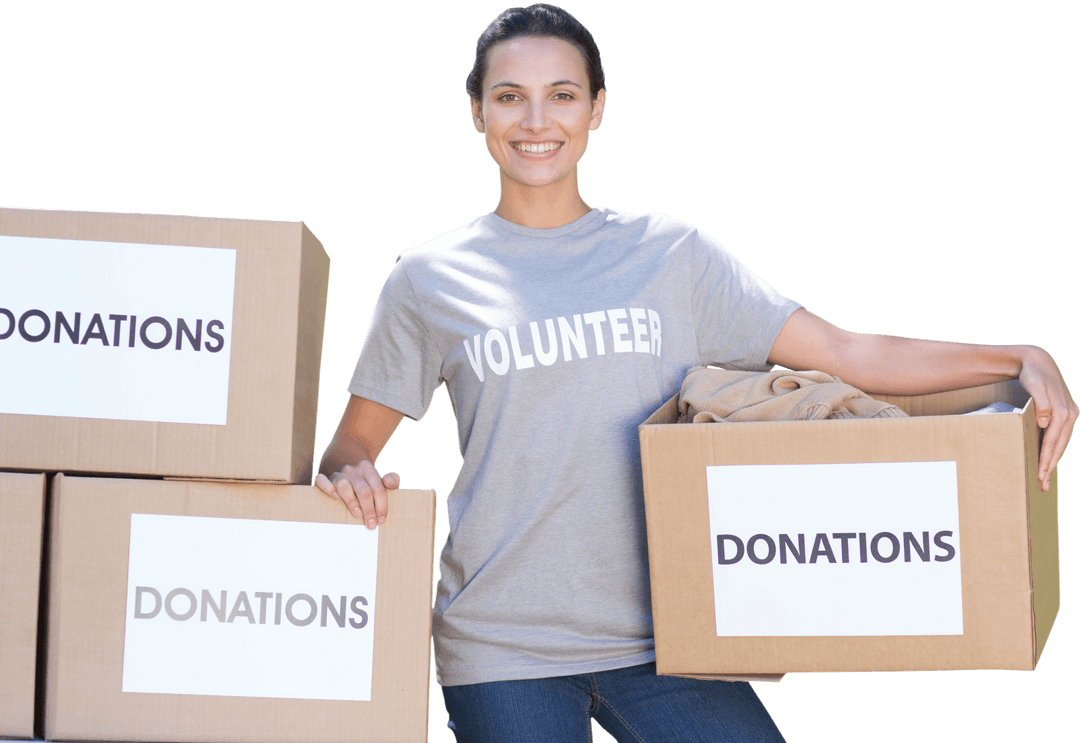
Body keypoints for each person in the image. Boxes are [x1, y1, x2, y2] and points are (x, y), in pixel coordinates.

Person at [315, 4, 1076, 741]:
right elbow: (350, 448)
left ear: (597, 108)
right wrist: (351, 477)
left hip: (669, 634)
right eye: (510, 96)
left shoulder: (670, 255)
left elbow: (848, 355)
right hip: (502, 644)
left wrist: (1017, 359)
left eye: (563, 95)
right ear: (477, 111)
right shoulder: (427, 277)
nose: (536, 121)